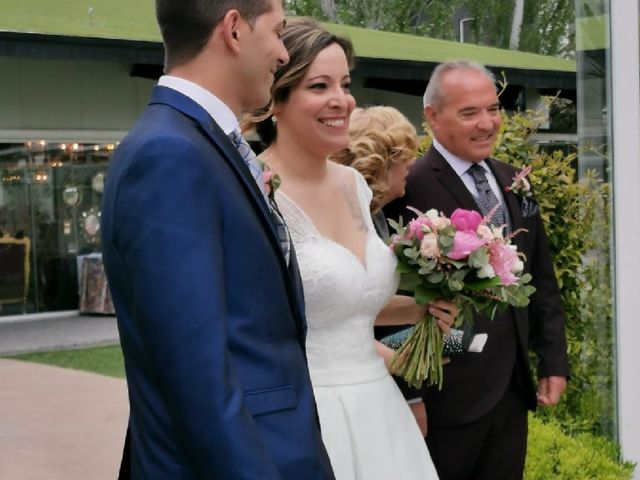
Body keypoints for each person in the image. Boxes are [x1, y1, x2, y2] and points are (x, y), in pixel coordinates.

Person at [101, 2, 334, 479]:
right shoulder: (170, 155)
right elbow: (196, 379)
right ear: (233, 30)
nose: (283, 54)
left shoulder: (202, 142)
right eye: (277, 32)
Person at [244, 17, 448, 479]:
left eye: (345, 83)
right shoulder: (256, 191)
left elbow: (352, 304)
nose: (342, 100)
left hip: (380, 409)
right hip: (308, 417)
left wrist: (424, 309)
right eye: (320, 85)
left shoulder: (354, 184)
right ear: (275, 99)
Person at [385, 60, 570, 480]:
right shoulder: (406, 185)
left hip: (510, 388)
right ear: (431, 116)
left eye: (493, 109)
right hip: (444, 394)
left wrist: (553, 360)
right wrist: (410, 395)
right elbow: (383, 296)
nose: (487, 123)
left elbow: (541, 277)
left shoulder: (513, 180)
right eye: (469, 113)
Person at [330, 105, 465, 436]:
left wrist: (422, 310)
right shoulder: (342, 219)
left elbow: (365, 304)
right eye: (405, 156)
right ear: (381, 162)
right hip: (345, 383)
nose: (412, 164)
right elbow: (337, 314)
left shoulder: (372, 214)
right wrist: (400, 363)